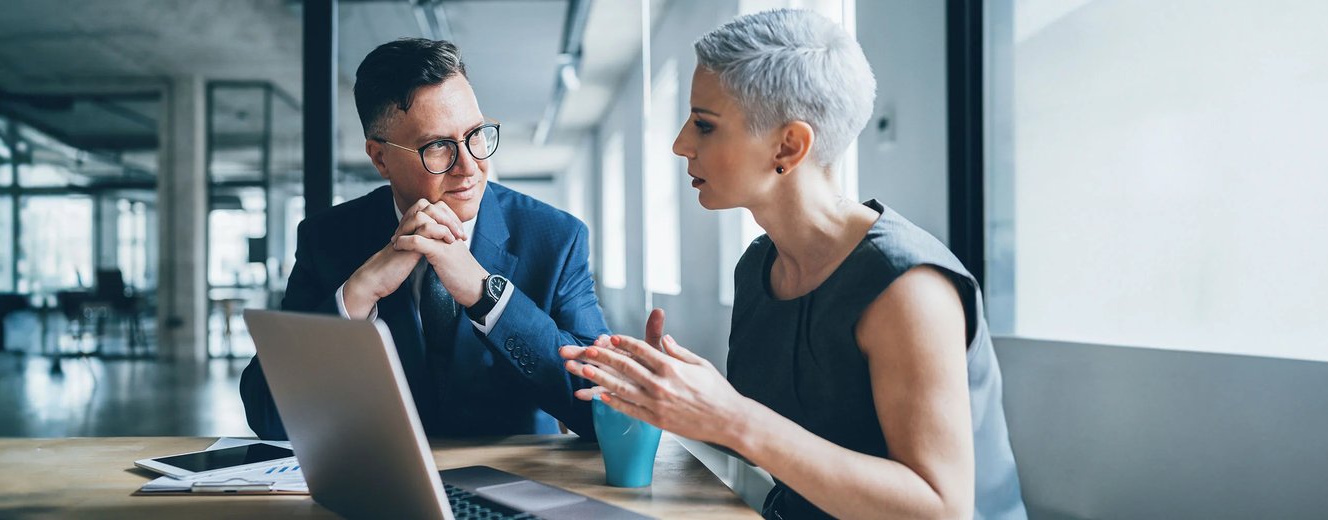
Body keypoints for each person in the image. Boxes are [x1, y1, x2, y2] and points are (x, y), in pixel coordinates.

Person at [559, 9, 1026, 519]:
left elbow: (939, 509)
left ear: (789, 145)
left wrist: (730, 416)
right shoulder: (759, 267)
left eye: (704, 125)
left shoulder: (908, 288)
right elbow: (783, 443)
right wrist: (672, 394)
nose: (680, 145)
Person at [242, 38, 608, 440]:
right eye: (438, 147)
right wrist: (358, 294)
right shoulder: (327, 239)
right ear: (380, 158)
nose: (470, 167)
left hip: (517, 482)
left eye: (476, 134)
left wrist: (489, 297)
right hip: (382, 485)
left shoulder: (556, 238)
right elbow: (268, 415)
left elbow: (600, 408)